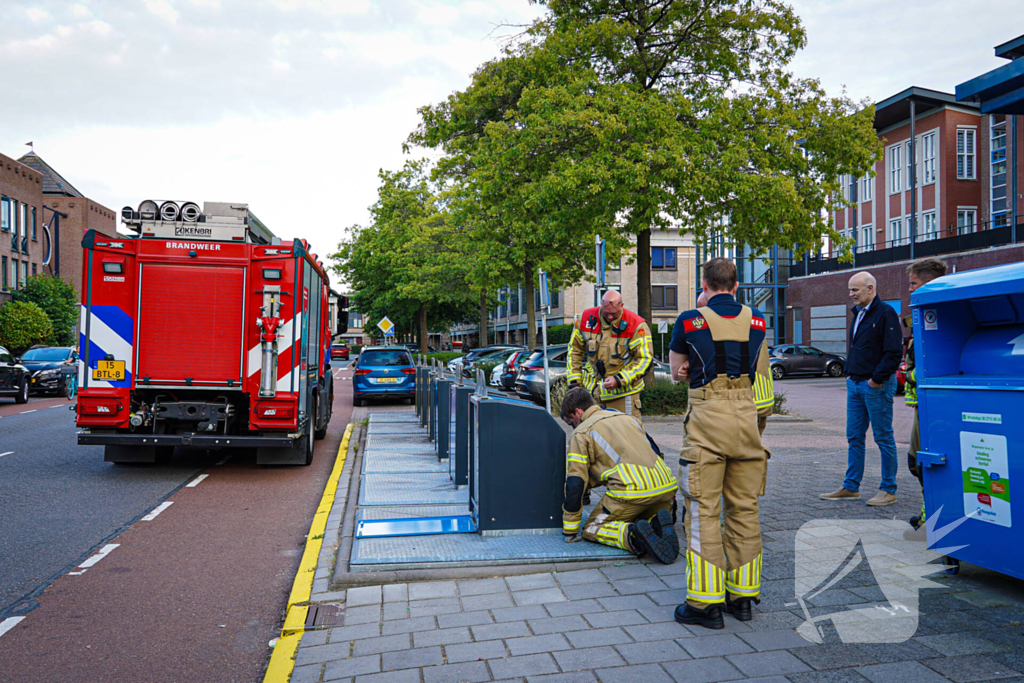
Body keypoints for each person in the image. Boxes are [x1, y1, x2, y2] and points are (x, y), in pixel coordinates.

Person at [668, 257, 770, 630]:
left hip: (707, 425)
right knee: (744, 509)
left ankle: (704, 604)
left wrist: (688, 370)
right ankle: (742, 598)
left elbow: (677, 372)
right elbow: (758, 373)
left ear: (704, 285)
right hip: (746, 423)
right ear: (736, 285)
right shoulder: (758, 320)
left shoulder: (689, 321)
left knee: (703, 511)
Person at [559, 387, 679, 563]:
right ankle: (657, 521)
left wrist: (570, 529)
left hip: (632, 492)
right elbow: (656, 451)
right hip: (666, 485)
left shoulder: (581, 433)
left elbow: (576, 482)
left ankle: (633, 536)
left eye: (571, 422)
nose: (573, 427)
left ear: (578, 412)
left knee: (592, 527)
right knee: (640, 515)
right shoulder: (628, 418)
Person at [820, 271, 902, 506]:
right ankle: (851, 487)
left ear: (870, 289)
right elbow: (858, 347)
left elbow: (894, 352)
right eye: (850, 289)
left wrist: (876, 380)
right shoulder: (858, 313)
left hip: (876, 386)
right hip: (855, 384)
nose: (851, 294)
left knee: (883, 437)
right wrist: (850, 374)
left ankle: (888, 489)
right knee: (854, 436)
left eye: (855, 290)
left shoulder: (885, 313)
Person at [904, 258, 948, 528]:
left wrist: (909, 375)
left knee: (927, 461)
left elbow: (928, 366)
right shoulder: (921, 315)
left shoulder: (941, 315)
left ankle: (934, 513)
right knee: (916, 461)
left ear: (929, 283)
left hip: (934, 407)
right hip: (923, 406)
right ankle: (929, 507)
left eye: (914, 283)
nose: (910, 289)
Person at [696, 290, 775, 434]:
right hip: (759, 400)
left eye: (705, 310)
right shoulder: (749, 321)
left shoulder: (728, 329)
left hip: (746, 402)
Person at [567, 289, 654, 418]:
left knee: (626, 430)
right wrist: (574, 383)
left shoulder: (636, 325)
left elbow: (644, 360)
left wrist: (619, 379)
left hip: (624, 395)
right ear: (601, 304)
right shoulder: (585, 319)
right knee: (593, 430)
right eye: (606, 313)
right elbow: (574, 351)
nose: (610, 317)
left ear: (622, 305)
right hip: (592, 395)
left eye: (614, 313)